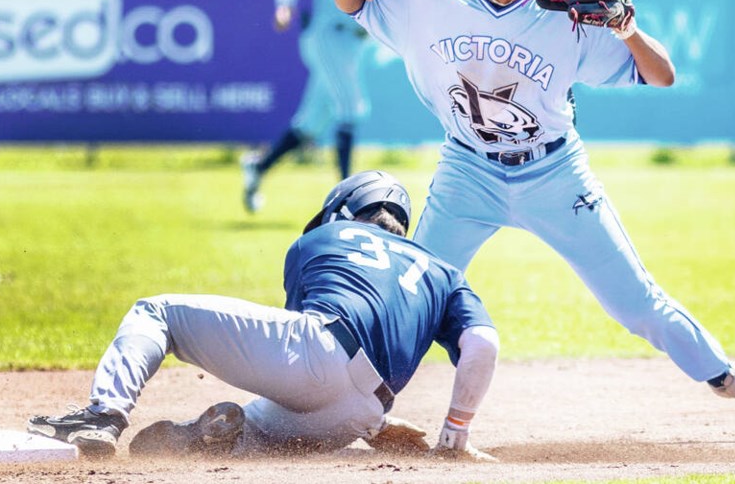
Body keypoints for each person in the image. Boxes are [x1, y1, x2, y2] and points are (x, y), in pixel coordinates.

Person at [334, 0, 735, 419]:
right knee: (410, 300)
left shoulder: (570, 12)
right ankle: (344, 407)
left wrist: (627, 29)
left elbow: (662, 75)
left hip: (555, 175)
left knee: (634, 303)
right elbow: (350, 4)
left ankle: (725, 376)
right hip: (467, 173)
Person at [28, 171, 499, 461]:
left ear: (341, 210)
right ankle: (209, 438)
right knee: (262, 437)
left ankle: (102, 416)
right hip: (361, 412)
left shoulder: (320, 239)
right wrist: (453, 433)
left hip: (317, 352)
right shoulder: (443, 271)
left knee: (157, 313)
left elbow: (308, 366)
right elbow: (482, 344)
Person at [242, 0, 414, 213]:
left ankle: (257, 167)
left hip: (359, 43)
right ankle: (351, 198)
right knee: (351, 107)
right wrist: (284, 5)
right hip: (326, 36)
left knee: (311, 122)